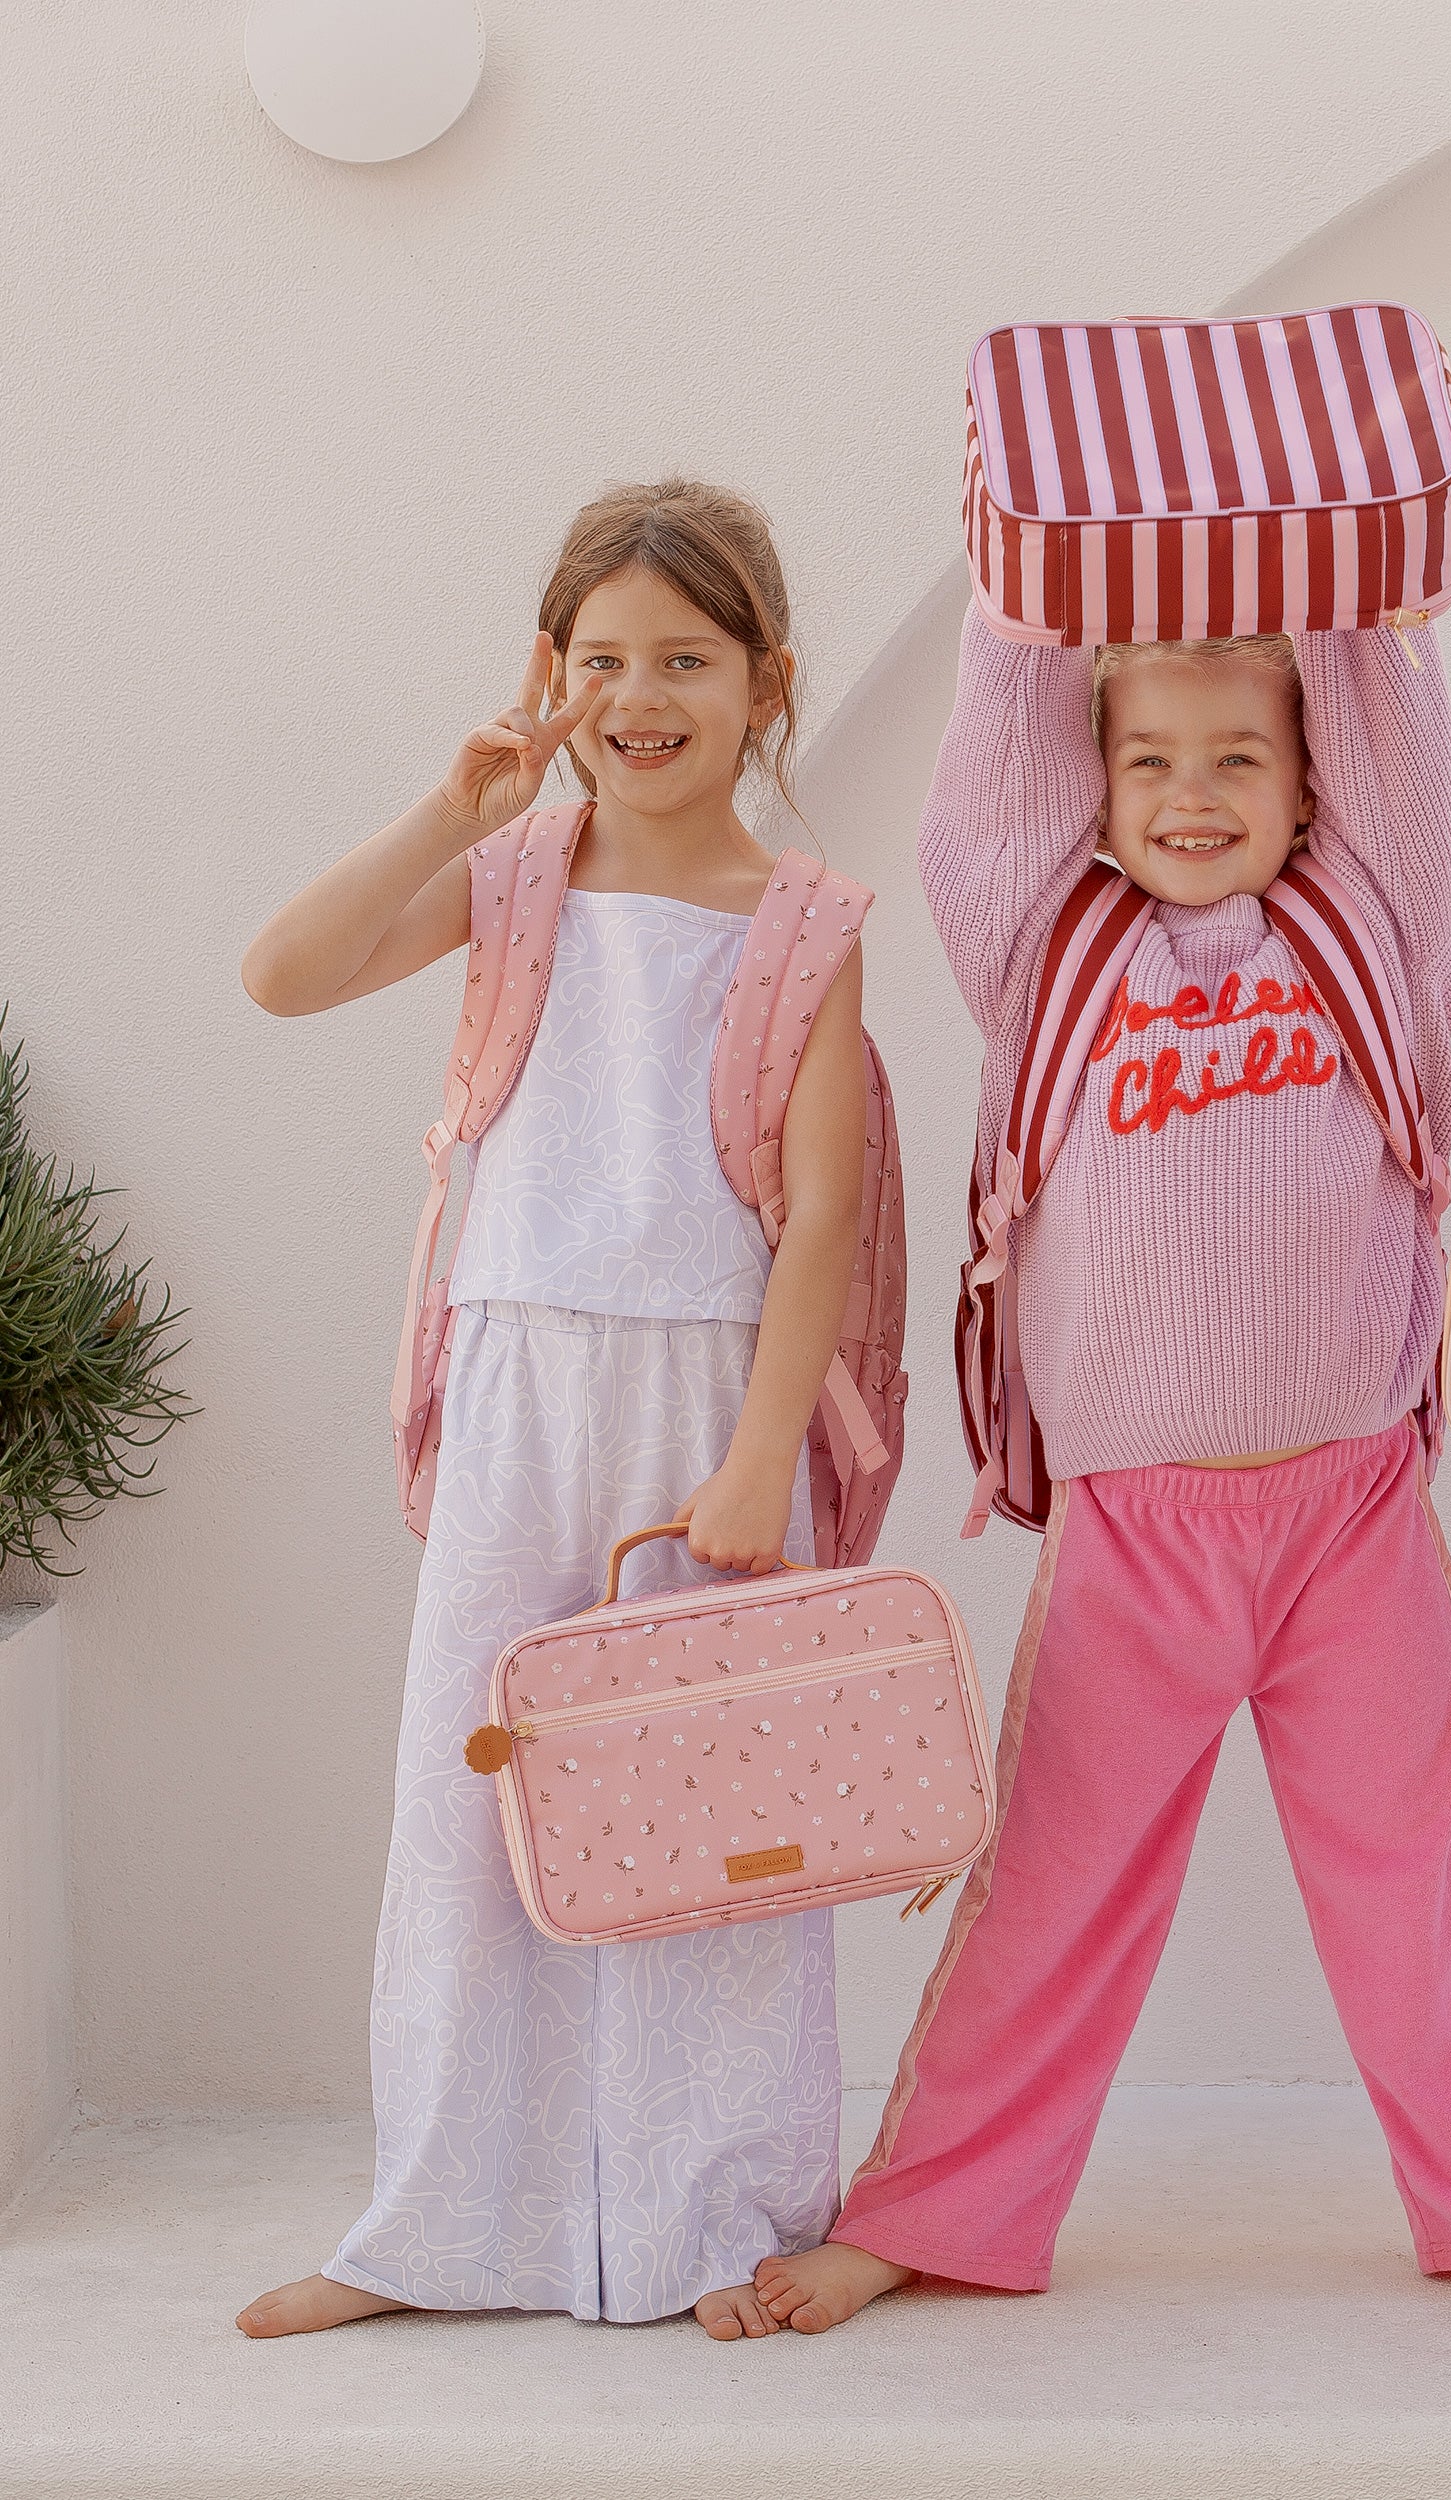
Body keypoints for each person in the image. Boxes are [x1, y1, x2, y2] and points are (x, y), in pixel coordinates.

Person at [755, 612, 1451, 2340]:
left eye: (1239, 758)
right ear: (1092, 785)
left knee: (1427, 1879)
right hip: (1136, 1534)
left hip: (1350, 1517)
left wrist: (1343, 597)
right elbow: (986, 800)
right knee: (1053, 1891)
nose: (1190, 794)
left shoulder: (1372, 927)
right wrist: (1030, 603)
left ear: (1313, 775)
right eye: (1150, 760)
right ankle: (931, 2213)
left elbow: (1400, 742)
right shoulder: (1049, 947)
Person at [235, 480, 867, 2340]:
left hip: (707, 1396)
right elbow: (282, 976)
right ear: (552, 675)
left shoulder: (805, 917)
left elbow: (823, 1207)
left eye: (685, 657)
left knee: (720, 1813)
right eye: (602, 659)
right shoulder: (515, 877)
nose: (641, 693)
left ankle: (714, 2220)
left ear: (768, 685)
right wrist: (464, 797)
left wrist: (765, 1452)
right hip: (519, 1374)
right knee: (482, 1798)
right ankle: (446, 2227)